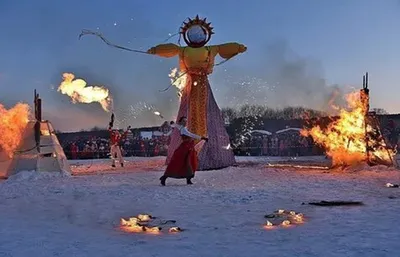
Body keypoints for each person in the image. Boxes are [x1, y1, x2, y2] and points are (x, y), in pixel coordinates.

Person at [147, 15, 246, 170]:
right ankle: (191, 155)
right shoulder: (184, 50)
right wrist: (155, 50)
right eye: (193, 33)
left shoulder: (209, 49)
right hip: (191, 84)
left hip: (202, 84)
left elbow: (224, 48)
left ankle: (207, 152)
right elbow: (170, 49)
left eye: (199, 33)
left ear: (205, 35)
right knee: (190, 109)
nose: (196, 36)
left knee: (206, 111)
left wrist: (238, 48)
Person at [160, 117, 208, 186]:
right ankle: (164, 177)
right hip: (185, 148)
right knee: (182, 163)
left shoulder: (182, 128)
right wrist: (202, 138)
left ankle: (188, 179)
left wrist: (173, 124)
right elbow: (191, 135)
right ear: (181, 122)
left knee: (188, 163)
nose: (185, 122)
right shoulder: (183, 130)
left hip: (188, 148)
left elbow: (177, 126)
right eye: (183, 121)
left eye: (186, 121)